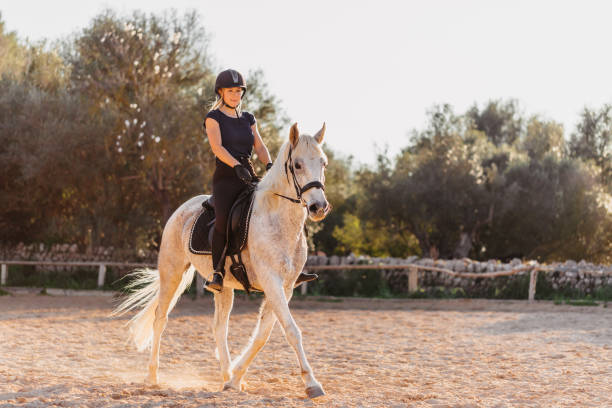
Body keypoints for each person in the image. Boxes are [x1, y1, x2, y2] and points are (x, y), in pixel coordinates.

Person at [203, 69, 316, 292]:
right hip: (226, 177)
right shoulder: (213, 118)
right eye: (230, 91)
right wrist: (235, 165)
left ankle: (293, 268)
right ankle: (217, 272)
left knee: (281, 209)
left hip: (248, 174)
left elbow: (260, 147)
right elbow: (217, 147)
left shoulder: (248, 118)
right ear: (221, 93)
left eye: (238, 91)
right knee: (224, 219)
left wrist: (270, 166)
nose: (235, 95)